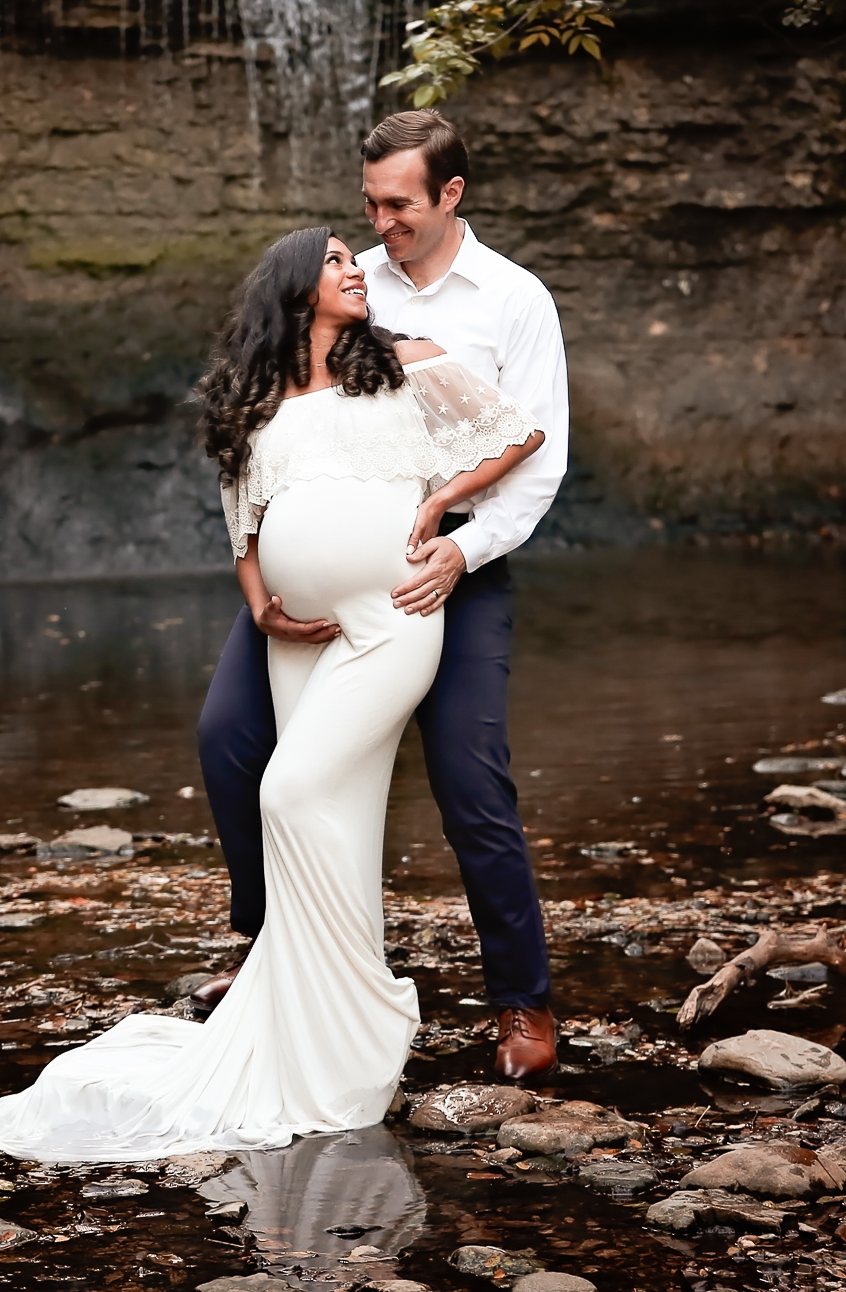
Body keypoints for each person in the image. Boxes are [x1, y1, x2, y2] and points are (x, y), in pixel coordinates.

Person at [0, 226, 547, 1160]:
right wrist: (263, 610)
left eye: (351, 258)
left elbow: (518, 433)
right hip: (299, 632)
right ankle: (324, 1035)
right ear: (291, 290)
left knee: (288, 789)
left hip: (392, 614)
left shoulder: (405, 362)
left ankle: (374, 1002)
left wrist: (439, 507)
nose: (354, 267)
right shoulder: (255, 401)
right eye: (333, 260)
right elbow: (243, 522)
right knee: (334, 820)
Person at [193, 110, 570, 1079]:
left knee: (469, 774)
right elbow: (264, 445)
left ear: (450, 194)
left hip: (448, 569)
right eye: (369, 203)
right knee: (230, 738)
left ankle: (521, 998)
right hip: (303, 592)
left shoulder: (512, 300)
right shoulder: (342, 282)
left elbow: (534, 451)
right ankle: (275, 951)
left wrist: (460, 542)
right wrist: (262, 586)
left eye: (397, 203)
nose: (378, 223)